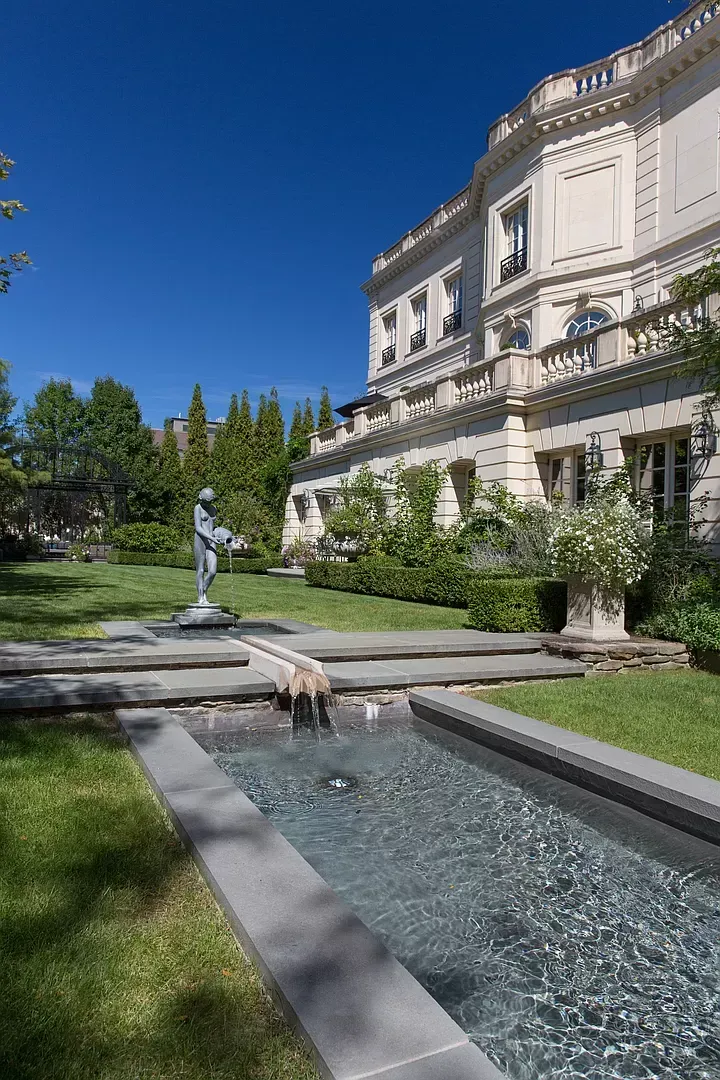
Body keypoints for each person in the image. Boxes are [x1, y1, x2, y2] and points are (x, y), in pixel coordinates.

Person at [194, 487, 219, 604]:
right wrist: (211, 537)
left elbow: (213, 526)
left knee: (213, 571)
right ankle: (201, 597)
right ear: (201, 499)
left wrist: (221, 535)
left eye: (210, 501)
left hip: (212, 540)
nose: (208, 504)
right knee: (201, 570)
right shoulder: (197, 508)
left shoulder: (214, 508)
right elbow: (198, 528)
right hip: (200, 540)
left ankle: (203, 589)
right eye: (206, 502)